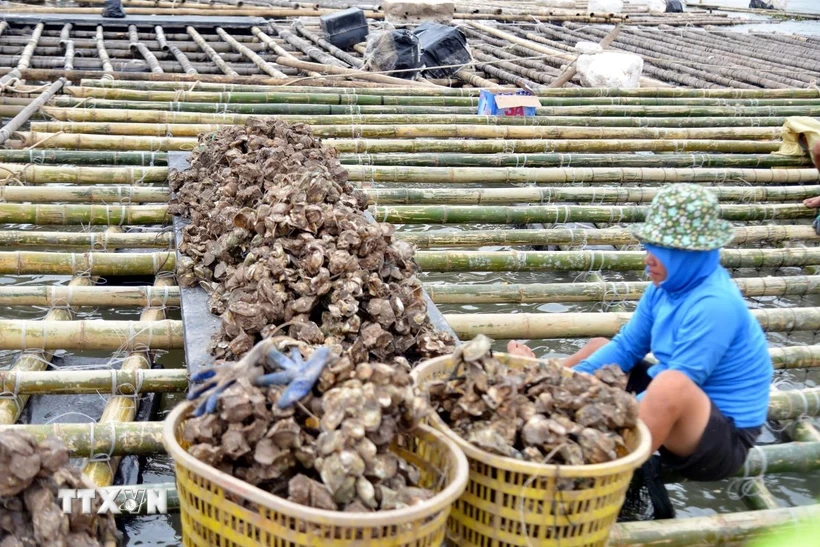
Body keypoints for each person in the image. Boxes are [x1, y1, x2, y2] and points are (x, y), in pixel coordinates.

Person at [509, 184, 773, 518]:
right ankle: (542, 380)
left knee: (668, 384)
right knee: (601, 348)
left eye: (661, 248)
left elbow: (678, 382)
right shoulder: (663, 288)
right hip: (681, 402)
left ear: (692, 252)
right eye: (649, 244)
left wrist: (595, 422)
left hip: (722, 438)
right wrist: (561, 383)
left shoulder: (714, 304)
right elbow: (628, 346)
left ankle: (607, 472)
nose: (649, 256)